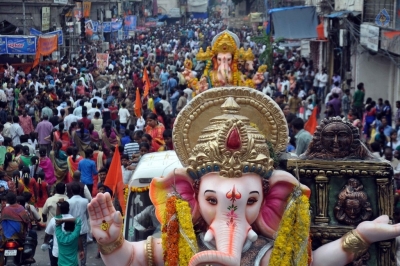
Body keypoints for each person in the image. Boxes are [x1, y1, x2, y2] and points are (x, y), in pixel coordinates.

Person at [43, 200, 75, 266]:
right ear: (69, 209)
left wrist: (45, 242)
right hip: (70, 253)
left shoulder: (54, 221)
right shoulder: (73, 220)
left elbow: (47, 234)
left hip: (57, 253)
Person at [67, 183, 89, 266]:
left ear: (71, 191)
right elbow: (87, 214)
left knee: (72, 247)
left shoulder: (68, 202)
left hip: (71, 228)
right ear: (80, 191)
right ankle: (83, 263)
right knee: (84, 246)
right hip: (82, 227)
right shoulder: (85, 201)